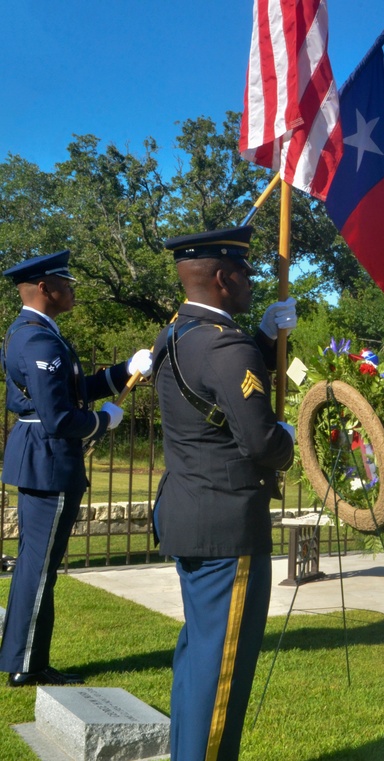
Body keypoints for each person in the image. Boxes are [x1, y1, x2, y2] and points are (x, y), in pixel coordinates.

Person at [153, 226, 296, 760]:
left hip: (190, 514)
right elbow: (259, 440)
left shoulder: (176, 336)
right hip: (226, 525)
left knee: (198, 659)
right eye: (244, 273)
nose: (251, 282)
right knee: (221, 673)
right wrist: (291, 441)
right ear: (222, 278)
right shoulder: (224, 345)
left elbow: (215, 393)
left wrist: (262, 340)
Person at [0, 250, 152, 687]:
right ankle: (27, 665)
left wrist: (125, 370)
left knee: (34, 562)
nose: (72, 290)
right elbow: (61, 418)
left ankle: (21, 656)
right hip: (50, 460)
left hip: (38, 457)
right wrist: (104, 421)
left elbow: (73, 388)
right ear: (45, 288)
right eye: (65, 283)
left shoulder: (30, 332)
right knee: (40, 566)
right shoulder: (39, 341)